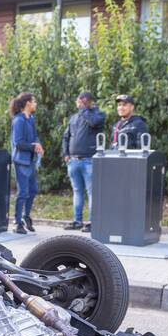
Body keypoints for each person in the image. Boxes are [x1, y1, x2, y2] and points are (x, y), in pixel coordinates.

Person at [61, 91, 104, 232]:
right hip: (73, 161)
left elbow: (94, 123)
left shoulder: (97, 114)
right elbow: (66, 137)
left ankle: (92, 222)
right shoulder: (74, 117)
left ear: (88, 102)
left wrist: (85, 110)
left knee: (91, 192)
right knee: (77, 191)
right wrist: (66, 154)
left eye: (82, 102)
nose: (79, 104)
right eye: (79, 101)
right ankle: (77, 221)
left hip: (89, 160)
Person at [9, 92, 44, 234]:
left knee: (33, 190)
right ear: (28, 103)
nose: (35, 104)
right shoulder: (18, 120)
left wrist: (39, 145)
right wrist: (34, 147)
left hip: (31, 161)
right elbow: (18, 143)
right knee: (23, 192)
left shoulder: (31, 119)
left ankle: (26, 217)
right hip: (21, 161)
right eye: (34, 101)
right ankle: (17, 223)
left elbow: (34, 137)